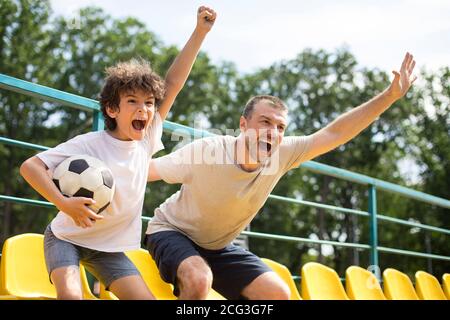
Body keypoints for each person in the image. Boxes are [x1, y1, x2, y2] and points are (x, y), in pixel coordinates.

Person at [146, 53, 417, 300]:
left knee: (278, 293)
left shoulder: (282, 153)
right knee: (198, 278)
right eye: (265, 122)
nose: (273, 132)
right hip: (171, 232)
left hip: (216, 247)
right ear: (243, 124)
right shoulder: (207, 152)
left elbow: (334, 134)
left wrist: (389, 96)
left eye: (280, 127)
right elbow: (146, 171)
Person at [19, 6, 217, 300]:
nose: (144, 109)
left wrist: (200, 32)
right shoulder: (89, 143)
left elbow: (173, 83)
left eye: (149, 103)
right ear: (112, 109)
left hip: (108, 249)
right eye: (133, 102)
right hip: (66, 239)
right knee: (72, 296)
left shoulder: (147, 138)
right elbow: (31, 166)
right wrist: (64, 203)